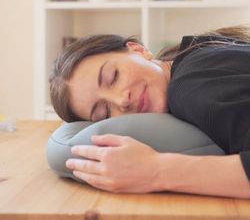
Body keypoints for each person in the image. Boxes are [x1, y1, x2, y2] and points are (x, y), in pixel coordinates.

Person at [49, 25, 250, 198]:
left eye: (113, 77)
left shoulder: (190, 88)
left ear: (138, 50)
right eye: (104, 113)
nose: (122, 101)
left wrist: (156, 171)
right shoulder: (198, 51)